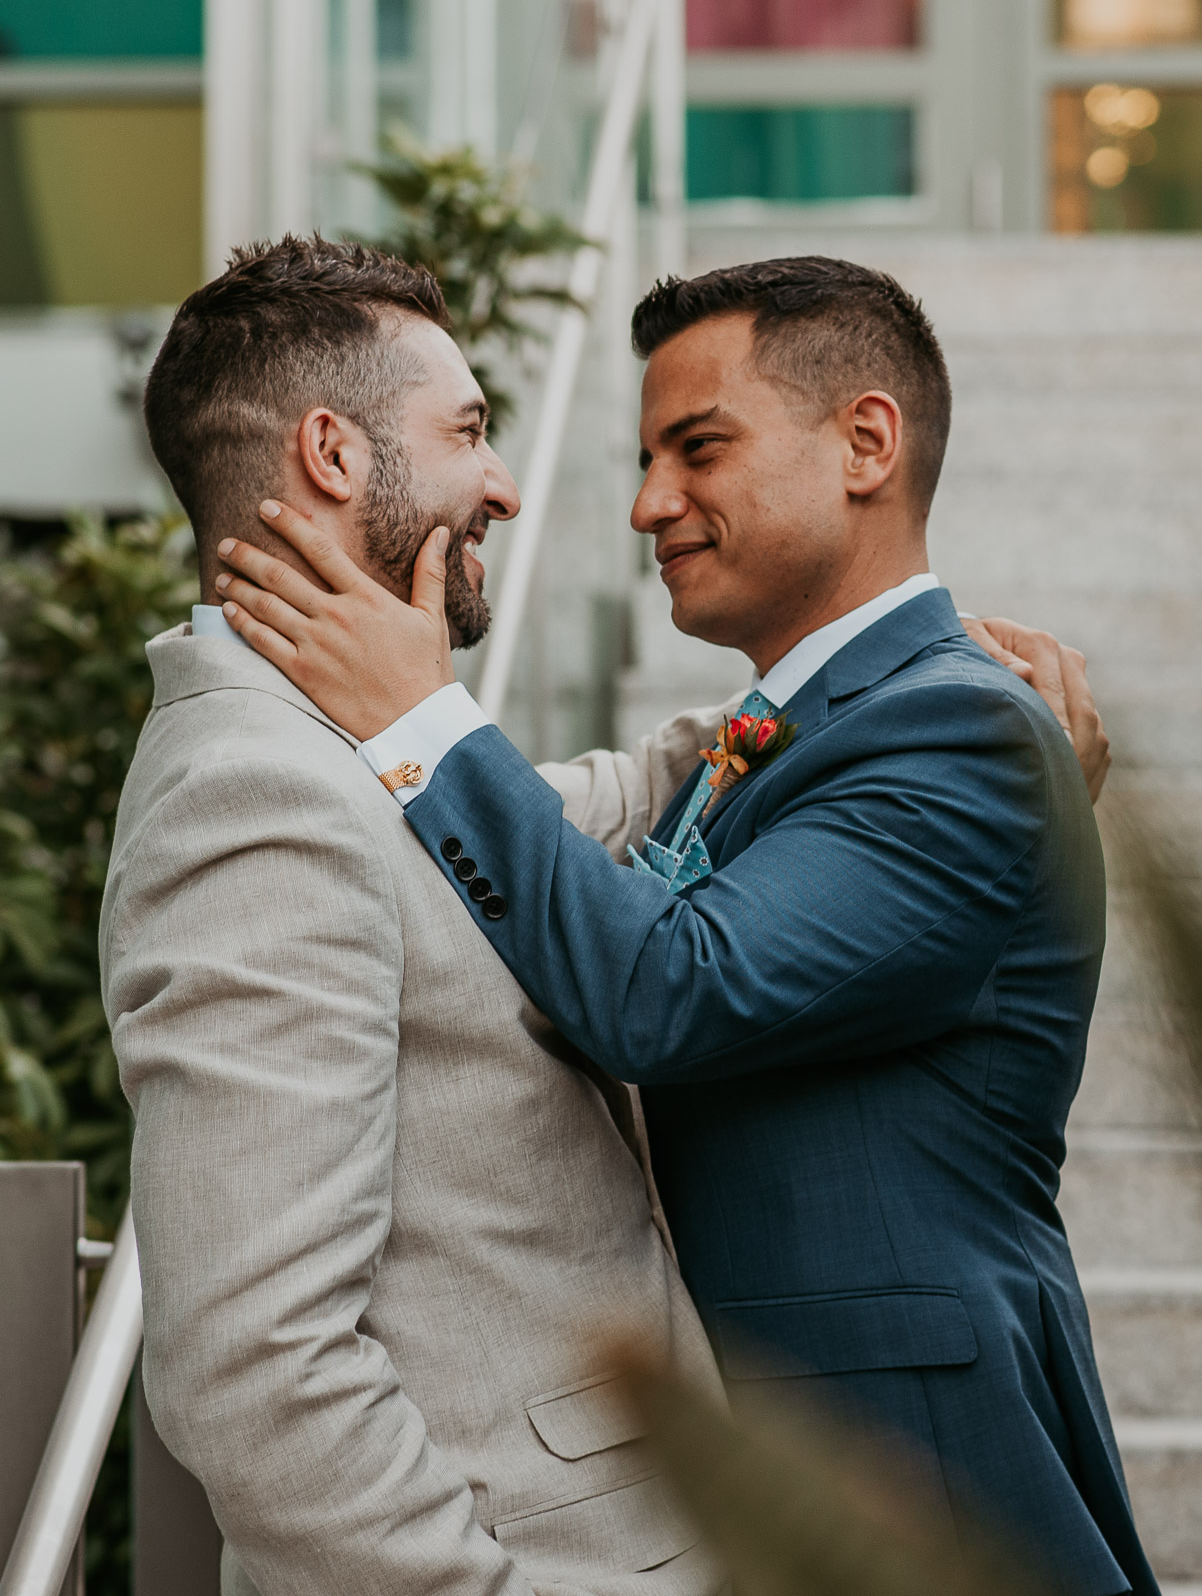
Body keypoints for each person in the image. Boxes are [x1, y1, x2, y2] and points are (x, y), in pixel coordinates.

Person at [216, 255, 1152, 1596]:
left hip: (910, 1463)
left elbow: (665, 989)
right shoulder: (811, 732)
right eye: (646, 457)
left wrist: (420, 718)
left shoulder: (961, 731)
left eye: (696, 449)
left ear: (865, 443)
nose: (651, 502)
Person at [100, 237, 731, 1596]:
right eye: (468, 431)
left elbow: (555, 814)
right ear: (332, 453)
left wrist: (832, 701)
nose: (501, 484)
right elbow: (254, 1368)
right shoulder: (251, 800)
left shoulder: (343, 751)